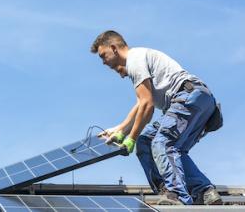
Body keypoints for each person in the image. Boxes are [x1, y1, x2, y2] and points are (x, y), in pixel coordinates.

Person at [91, 30, 222, 205]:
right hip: (200, 100)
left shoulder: (134, 60)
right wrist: (120, 129)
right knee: (148, 142)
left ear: (114, 48)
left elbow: (147, 106)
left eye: (103, 56)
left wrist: (130, 139)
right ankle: (205, 191)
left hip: (187, 96)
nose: (104, 62)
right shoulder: (140, 59)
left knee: (162, 142)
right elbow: (141, 104)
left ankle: (175, 195)